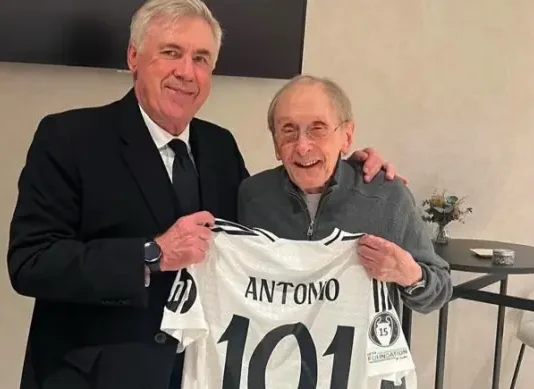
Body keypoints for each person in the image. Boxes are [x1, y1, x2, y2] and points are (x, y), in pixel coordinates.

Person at [6, 1, 401, 389]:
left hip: (202, 373)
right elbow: (31, 262)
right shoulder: (70, 138)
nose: (186, 71)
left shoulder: (220, 147)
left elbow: (271, 222)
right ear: (133, 57)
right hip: (93, 377)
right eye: (171, 53)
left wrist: (345, 168)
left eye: (201, 58)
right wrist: (152, 254)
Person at [237, 75, 453, 317]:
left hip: (359, 352)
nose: (302, 146)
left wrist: (409, 275)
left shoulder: (387, 196)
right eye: (288, 131)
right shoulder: (252, 196)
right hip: (274, 350)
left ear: (347, 136)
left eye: (317, 129)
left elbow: (440, 290)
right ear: (276, 144)